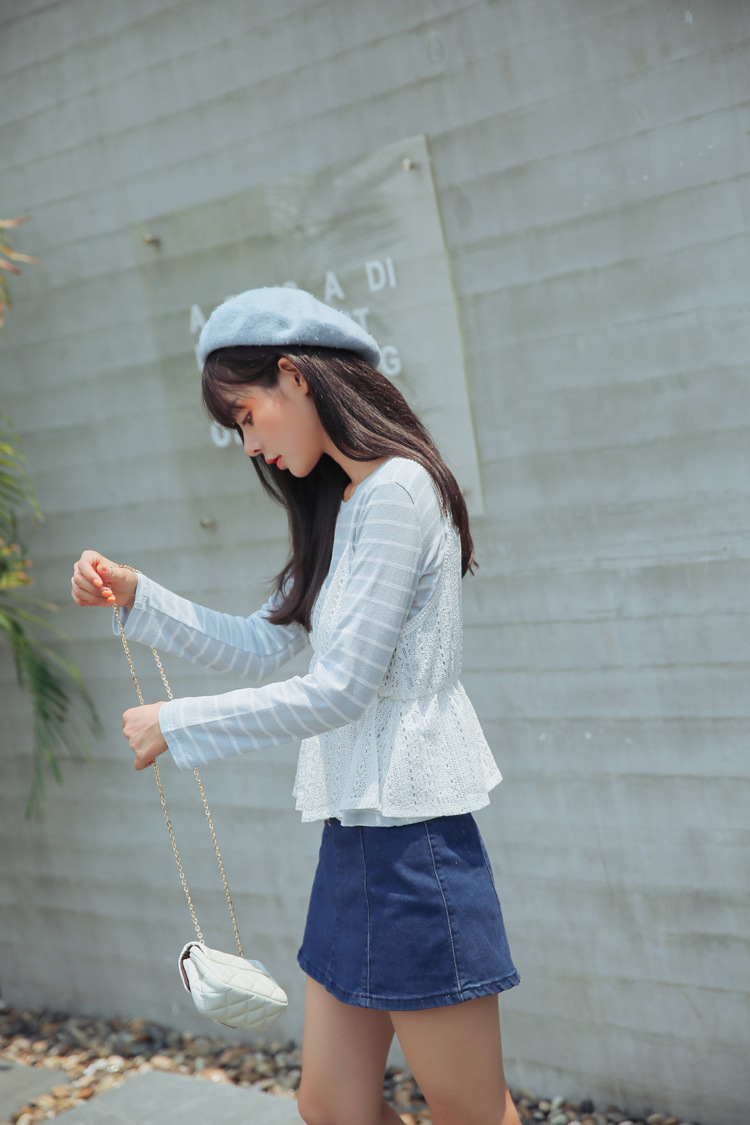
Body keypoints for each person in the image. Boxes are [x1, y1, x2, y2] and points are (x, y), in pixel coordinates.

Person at [71, 287, 522, 1125]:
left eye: (247, 417)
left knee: (470, 1112)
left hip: (417, 845)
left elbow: (341, 688)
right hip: (354, 840)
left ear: (296, 375)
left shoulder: (399, 492)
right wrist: (138, 596)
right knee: (331, 1104)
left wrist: (176, 723)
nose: (250, 444)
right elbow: (262, 641)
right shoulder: (345, 503)